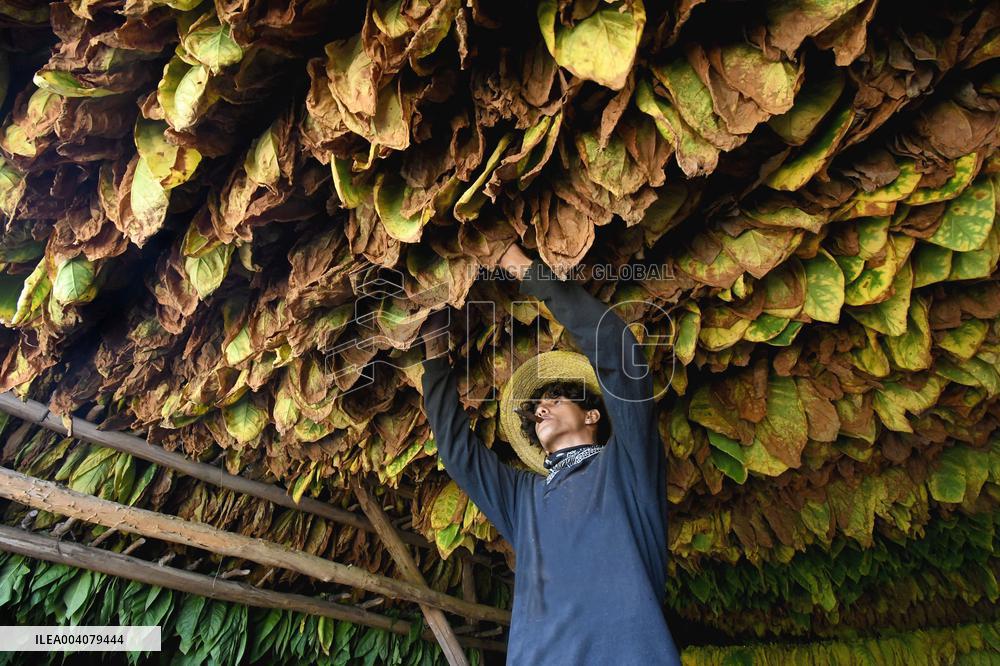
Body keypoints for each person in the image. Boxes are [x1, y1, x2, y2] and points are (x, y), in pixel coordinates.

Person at [419, 242, 681, 665]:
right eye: (538, 407)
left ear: (594, 414)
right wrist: (434, 359)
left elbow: (619, 352)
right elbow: (460, 455)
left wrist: (523, 268)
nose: (542, 407)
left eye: (558, 399)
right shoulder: (524, 499)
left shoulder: (627, 465)